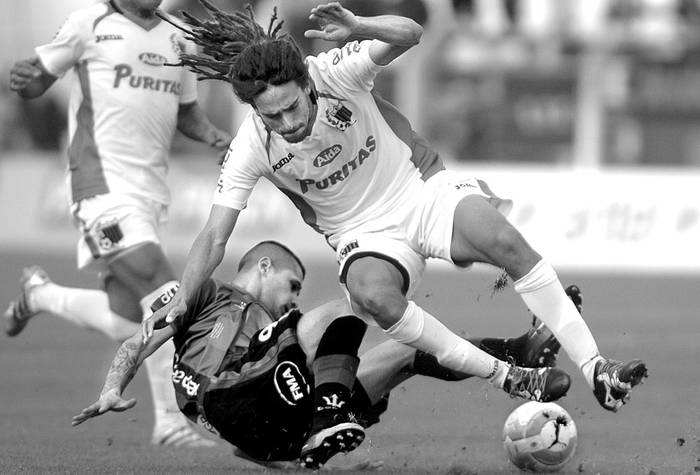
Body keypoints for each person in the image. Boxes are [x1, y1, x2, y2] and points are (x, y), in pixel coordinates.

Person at [147, 1, 647, 413]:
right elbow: (214, 236)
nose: (287, 123)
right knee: (373, 298)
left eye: (293, 107)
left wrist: (361, 27)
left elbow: (411, 34)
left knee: (503, 240)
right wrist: (182, 301)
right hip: (361, 236)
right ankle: (509, 377)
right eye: (271, 115)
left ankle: (597, 369)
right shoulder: (251, 145)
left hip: (419, 189)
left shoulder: (335, 72)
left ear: (305, 83)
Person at [73, 240, 578, 469]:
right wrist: (112, 387)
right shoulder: (206, 292)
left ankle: (519, 352)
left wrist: (292, 461)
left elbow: (243, 446)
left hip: (269, 425)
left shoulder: (274, 337)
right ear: (263, 266)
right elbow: (140, 339)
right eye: (292, 285)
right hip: (227, 389)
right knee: (355, 300)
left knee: (403, 349)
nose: (293, 297)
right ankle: (329, 414)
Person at [4, 0, 232, 447]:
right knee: (169, 297)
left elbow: (185, 111)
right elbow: (38, 80)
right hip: (100, 191)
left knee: (124, 321)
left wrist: (214, 137)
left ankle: (41, 295)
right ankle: (169, 422)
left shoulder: (176, 32)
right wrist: (26, 83)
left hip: (150, 197)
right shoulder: (90, 23)